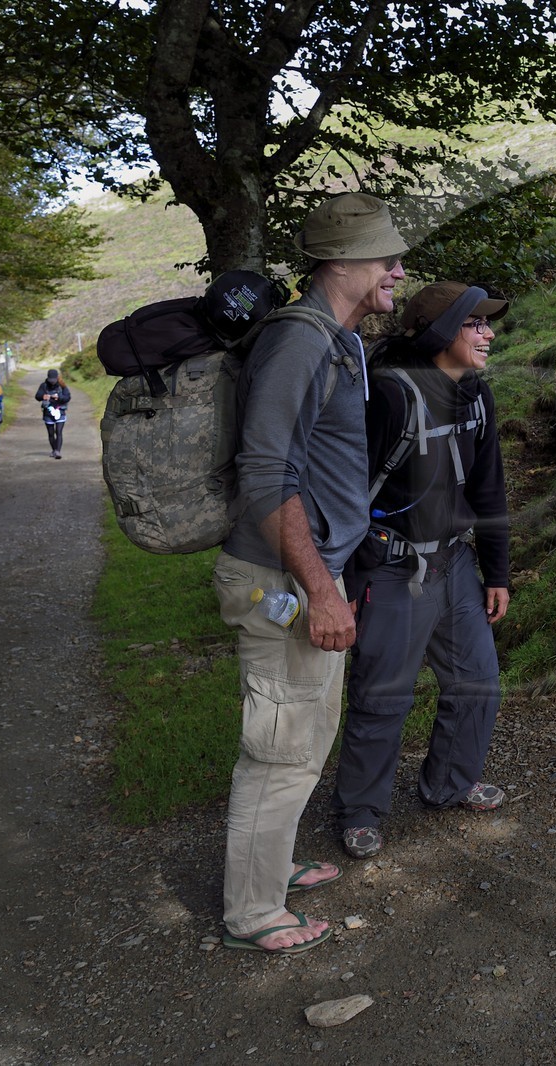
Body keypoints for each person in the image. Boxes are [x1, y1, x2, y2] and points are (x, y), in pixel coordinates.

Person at [210, 192, 408, 954]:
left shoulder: (337, 341)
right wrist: (320, 591)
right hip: (281, 582)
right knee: (280, 747)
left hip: (307, 574)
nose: (397, 268)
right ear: (345, 261)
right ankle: (252, 912)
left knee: (305, 733)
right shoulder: (300, 342)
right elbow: (265, 477)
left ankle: (272, 867)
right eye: (386, 255)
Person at [332, 281, 511, 860]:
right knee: (383, 694)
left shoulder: (476, 395)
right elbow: (349, 495)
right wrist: (350, 583)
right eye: (474, 323)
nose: (488, 333)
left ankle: (449, 785)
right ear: (440, 332)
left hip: (455, 561)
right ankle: (361, 810)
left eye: (488, 323)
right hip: (390, 567)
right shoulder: (389, 396)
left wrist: (498, 572)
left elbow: (489, 489)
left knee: (477, 678)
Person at [34, 368, 70, 458]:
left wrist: (59, 397)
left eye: (54, 380)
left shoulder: (62, 386)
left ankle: (58, 451)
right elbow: (37, 396)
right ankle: (54, 449)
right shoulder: (44, 386)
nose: (52, 382)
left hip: (60, 411)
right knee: (51, 433)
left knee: (59, 432)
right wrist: (43, 396)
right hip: (48, 412)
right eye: (51, 380)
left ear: (57, 378)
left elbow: (67, 397)